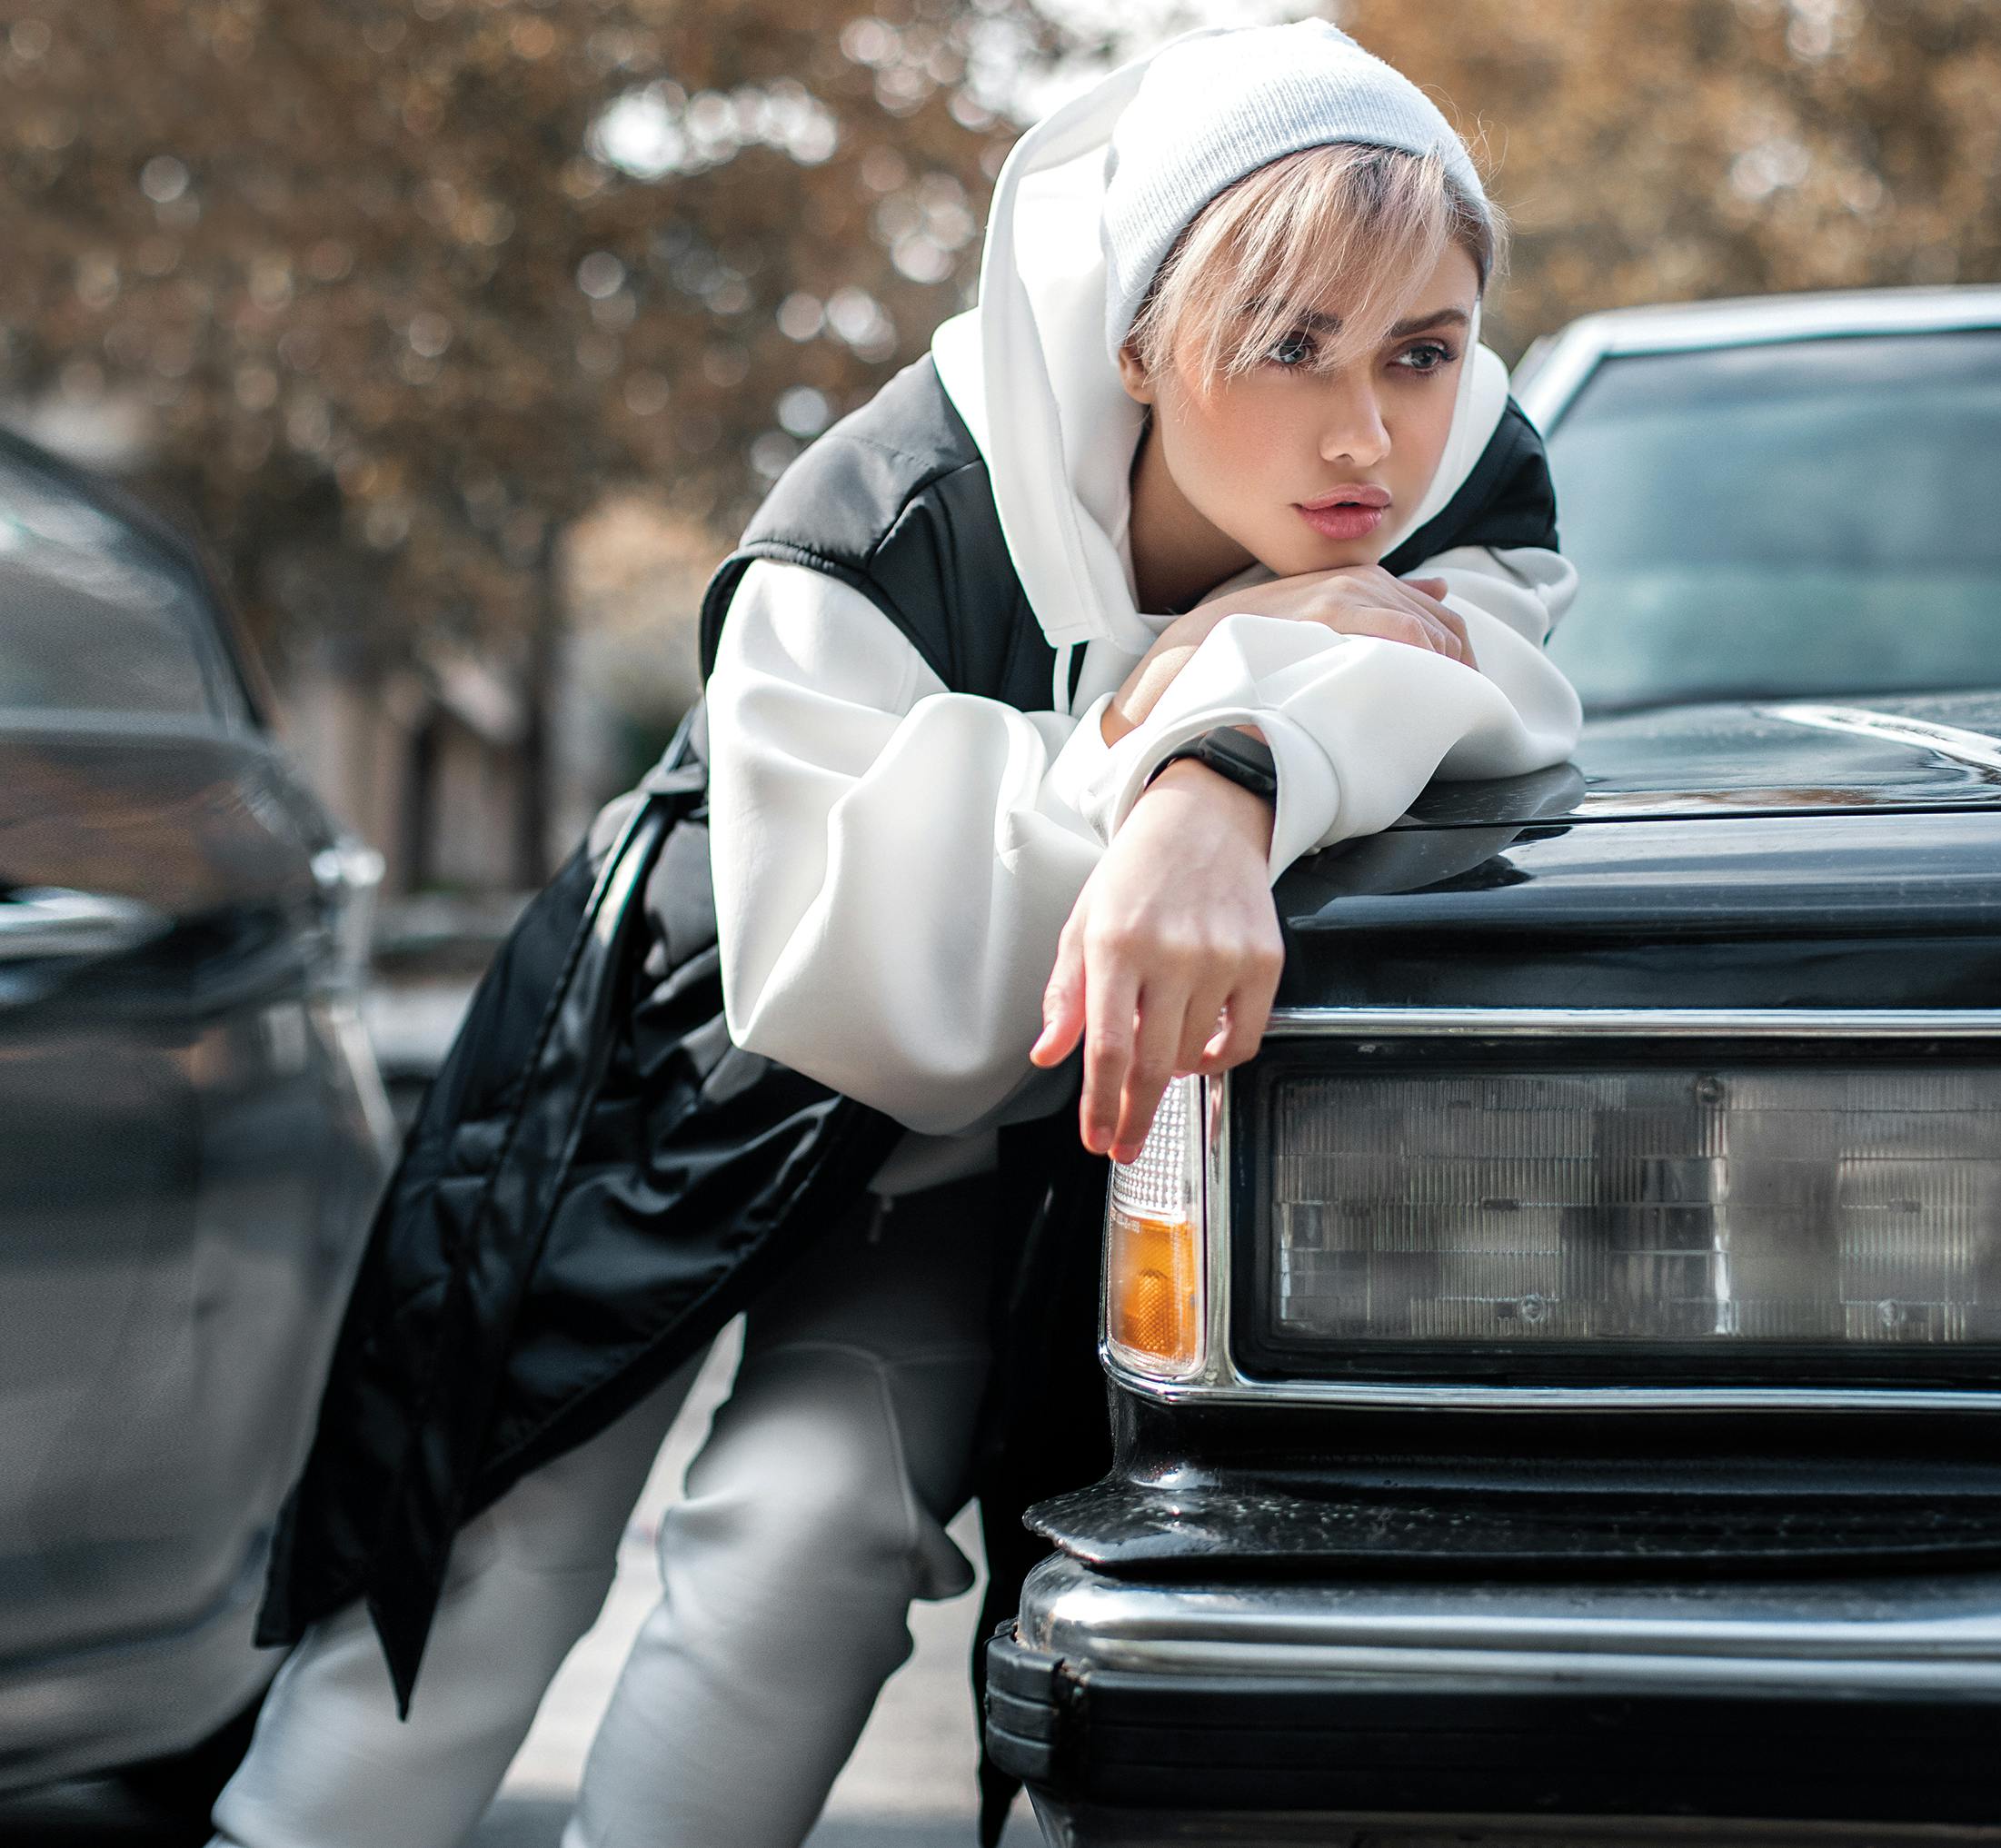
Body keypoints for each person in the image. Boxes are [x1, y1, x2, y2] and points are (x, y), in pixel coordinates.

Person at [210, 20, 1578, 1848]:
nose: (1368, 436)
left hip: (970, 1137)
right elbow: (860, 970)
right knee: (495, 1544)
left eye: (1423, 351)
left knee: (812, 1531)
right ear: (1136, 337)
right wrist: (1172, 731)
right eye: (1288, 349)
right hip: (673, 1058)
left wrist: (1219, 775)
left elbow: (1499, 703)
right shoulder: (872, 521)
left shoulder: (1470, 483)